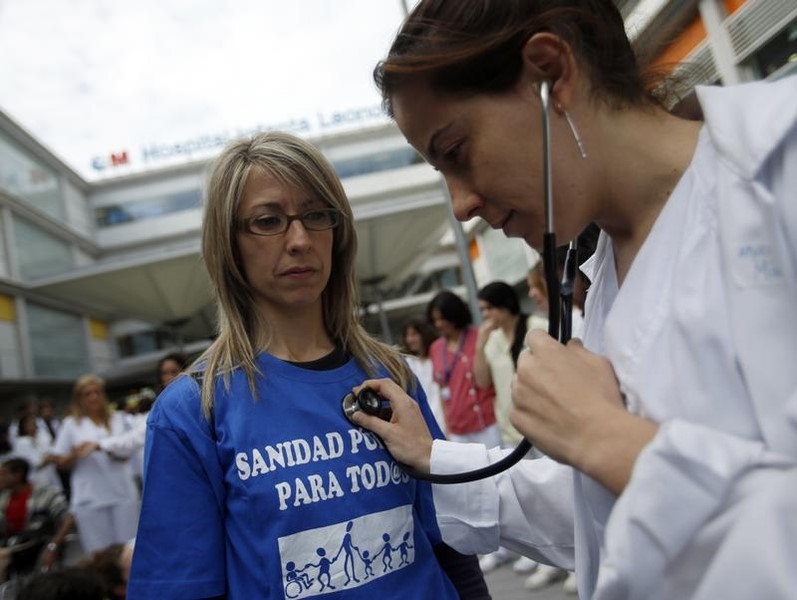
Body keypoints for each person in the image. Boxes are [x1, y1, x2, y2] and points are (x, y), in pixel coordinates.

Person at [352, 1, 797, 599]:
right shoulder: (605, 274)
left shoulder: (779, 173)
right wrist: (433, 457)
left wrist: (603, 435)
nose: (460, 206)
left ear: (549, 72)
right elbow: (605, 515)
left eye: (454, 151)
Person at [128, 132, 489, 599]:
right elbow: (182, 587)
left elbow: (450, 539)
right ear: (227, 242)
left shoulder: (390, 375)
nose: (299, 240)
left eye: (317, 215)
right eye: (268, 221)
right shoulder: (192, 411)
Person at [46, 375, 139, 554]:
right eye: (87, 394)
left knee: (129, 550)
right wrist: (75, 453)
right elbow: (60, 462)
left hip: (121, 491)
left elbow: (127, 452)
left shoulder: (117, 419)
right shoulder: (71, 424)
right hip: (90, 497)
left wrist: (102, 448)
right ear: (79, 399)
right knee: (99, 554)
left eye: (97, 392)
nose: (93, 397)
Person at [427, 290, 500, 447]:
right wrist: (446, 426)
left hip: (487, 424)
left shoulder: (479, 336)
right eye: (435, 320)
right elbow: (441, 390)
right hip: (457, 430)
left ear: (454, 315)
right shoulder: (436, 348)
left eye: (443, 318)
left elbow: (490, 380)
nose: (439, 324)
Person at [0, 458, 71, 578]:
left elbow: (67, 519)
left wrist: (53, 545)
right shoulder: (4, 499)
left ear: (18, 475)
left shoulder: (45, 493)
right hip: (15, 543)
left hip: (40, 542)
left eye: (3, 474)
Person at [401, 318, 445, 432]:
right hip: (425, 422)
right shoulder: (408, 363)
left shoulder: (437, 357)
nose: (410, 339)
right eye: (407, 336)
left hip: (445, 417)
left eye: (414, 334)